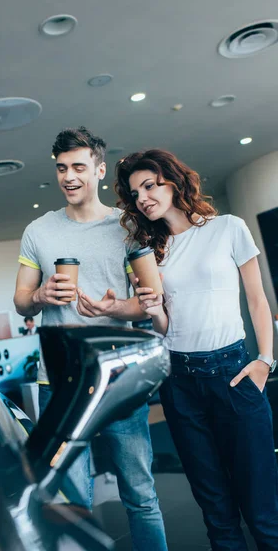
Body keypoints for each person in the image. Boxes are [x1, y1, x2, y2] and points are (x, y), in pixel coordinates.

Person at [115, 148, 278, 550]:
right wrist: (153, 310)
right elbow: (169, 325)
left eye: (149, 186)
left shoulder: (228, 228)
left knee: (262, 510)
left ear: (173, 181)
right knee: (216, 512)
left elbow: (257, 300)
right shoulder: (152, 252)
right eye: (135, 194)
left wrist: (265, 361)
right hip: (180, 383)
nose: (143, 198)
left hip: (234, 372)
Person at [14, 127, 168, 551]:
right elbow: (21, 301)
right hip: (59, 382)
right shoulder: (38, 231)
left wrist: (116, 308)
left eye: (79, 167)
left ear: (99, 170)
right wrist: (41, 295)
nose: (69, 176)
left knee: (140, 494)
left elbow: (150, 302)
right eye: (62, 168)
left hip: (119, 374)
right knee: (70, 502)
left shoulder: (128, 227)